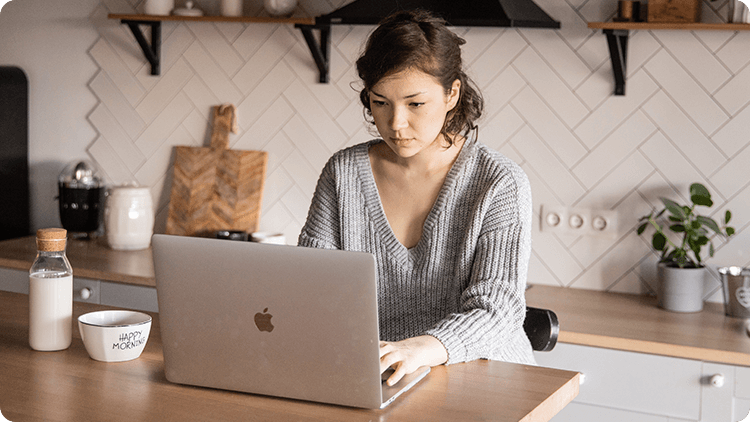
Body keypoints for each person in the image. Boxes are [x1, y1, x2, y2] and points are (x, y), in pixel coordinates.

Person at [298, 9, 535, 386]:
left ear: (452, 94)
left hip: (482, 381)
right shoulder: (342, 173)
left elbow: (498, 312)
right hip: (377, 377)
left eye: (415, 103)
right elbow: (311, 288)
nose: (395, 123)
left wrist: (420, 348)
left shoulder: (498, 182)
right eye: (380, 102)